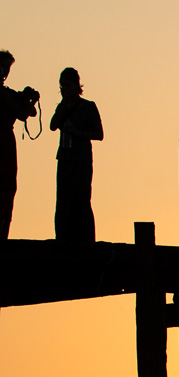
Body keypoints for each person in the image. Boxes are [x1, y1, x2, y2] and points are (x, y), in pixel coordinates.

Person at [49, 67, 102, 244]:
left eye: (67, 85)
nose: (64, 89)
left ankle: (86, 241)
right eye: (62, 86)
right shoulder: (62, 107)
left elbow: (99, 134)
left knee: (82, 200)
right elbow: (52, 125)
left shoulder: (88, 106)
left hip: (82, 159)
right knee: (63, 201)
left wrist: (78, 133)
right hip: (65, 158)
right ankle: (63, 238)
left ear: (76, 85)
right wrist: (65, 106)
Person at [0, 50, 39, 239]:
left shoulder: (7, 93)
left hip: (6, 143)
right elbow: (22, 113)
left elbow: (31, 112)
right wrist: (26, 101)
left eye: (8, 67)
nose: (5, 71)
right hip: (1, 143)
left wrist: (26, 99)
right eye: (3, 66)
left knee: (7, 188)